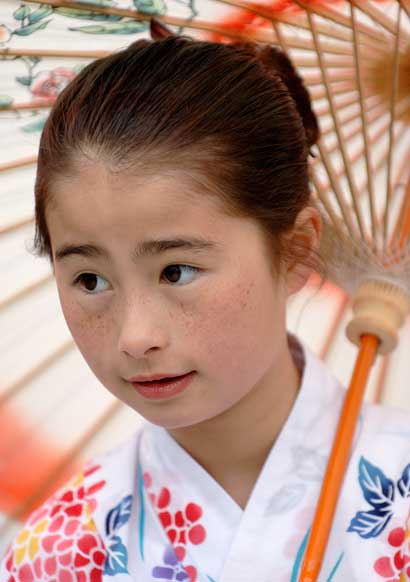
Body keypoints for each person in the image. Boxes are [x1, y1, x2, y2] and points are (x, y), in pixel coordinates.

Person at [1, 20, 409, 582]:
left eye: (177, 270)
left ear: (295, 248)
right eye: (90, 280)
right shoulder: (59, 553)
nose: (134, 336)